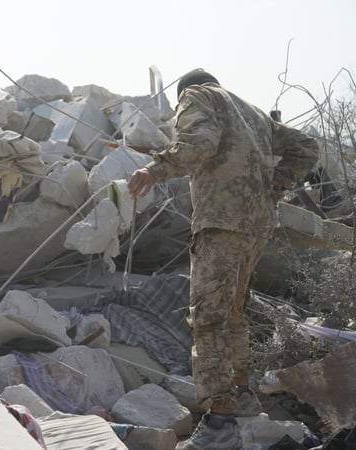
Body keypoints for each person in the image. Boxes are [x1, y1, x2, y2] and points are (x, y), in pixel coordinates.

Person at [128, 69, 318, 450]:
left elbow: (200, 143)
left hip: (221, 221)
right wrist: (274, 184)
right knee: (233, 313)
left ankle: (218, 419)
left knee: (208, 317)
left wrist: (155, 169)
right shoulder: (255, 114)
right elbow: (307, 148)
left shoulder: (198, 95)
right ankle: (243, 395)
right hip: (256, 225)